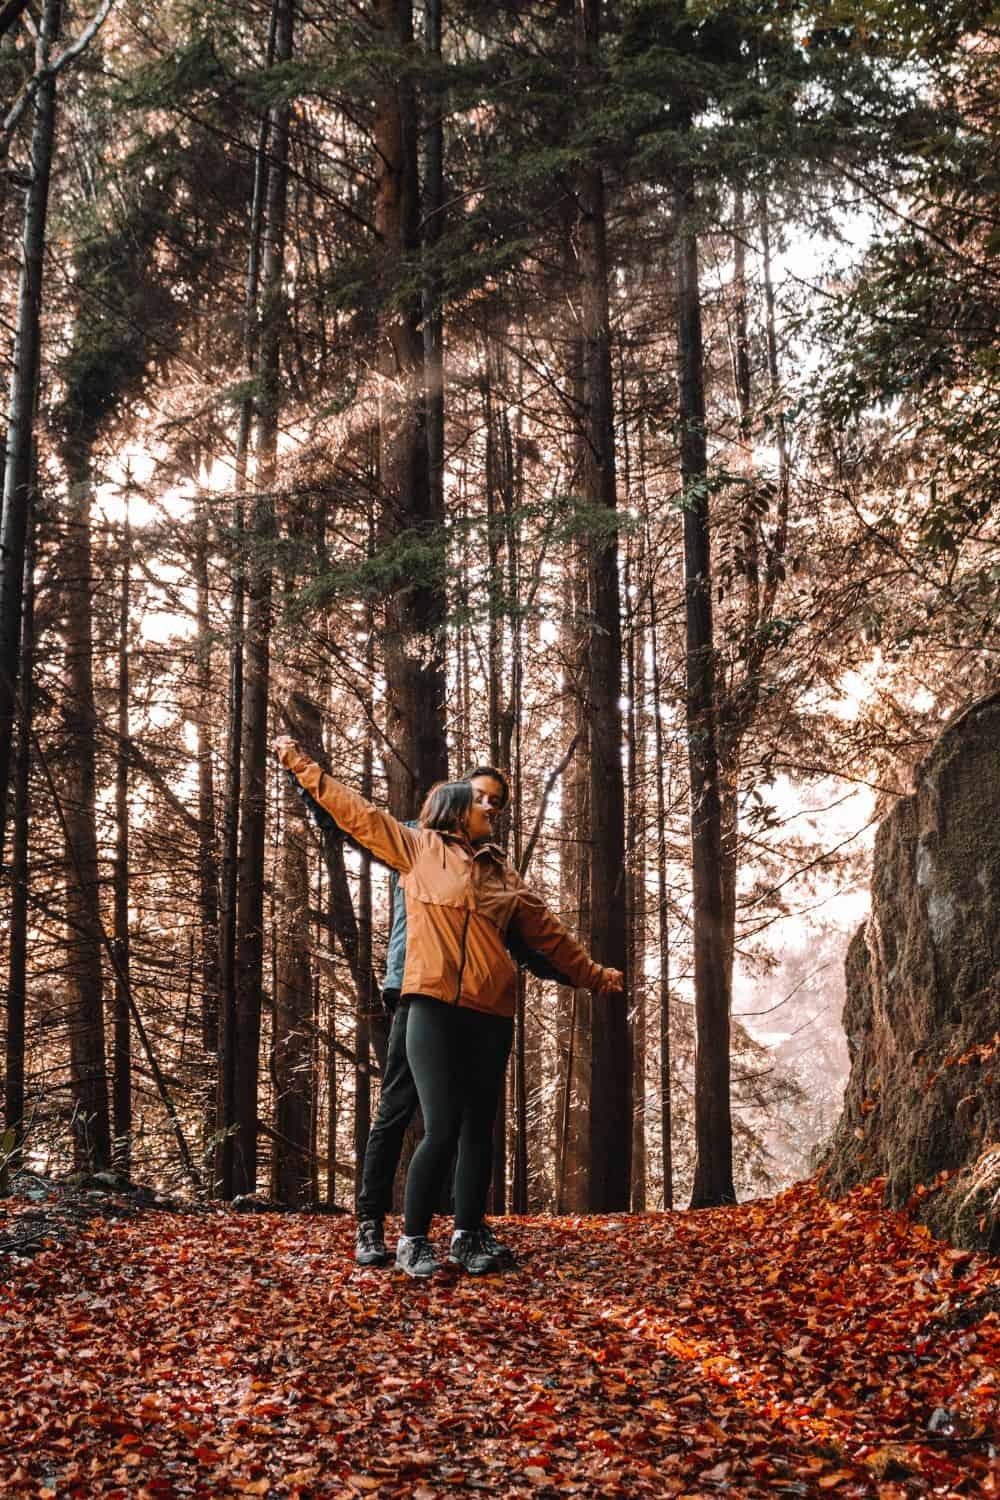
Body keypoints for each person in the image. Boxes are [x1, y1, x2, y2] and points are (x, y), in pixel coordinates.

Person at [274, 737, 623, 1279]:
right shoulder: (417, 848)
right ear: (457, 806)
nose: (492, 809)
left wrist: (596, 976)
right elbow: (354, 812)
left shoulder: (506, 878)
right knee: (432, 1123)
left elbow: (552, 937)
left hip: (491, 1014)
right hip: (429, 1002)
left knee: (478, 1128)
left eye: (497, 804)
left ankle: (466, 1234)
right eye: (482, 801)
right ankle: (408, 1238)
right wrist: (301, 764)